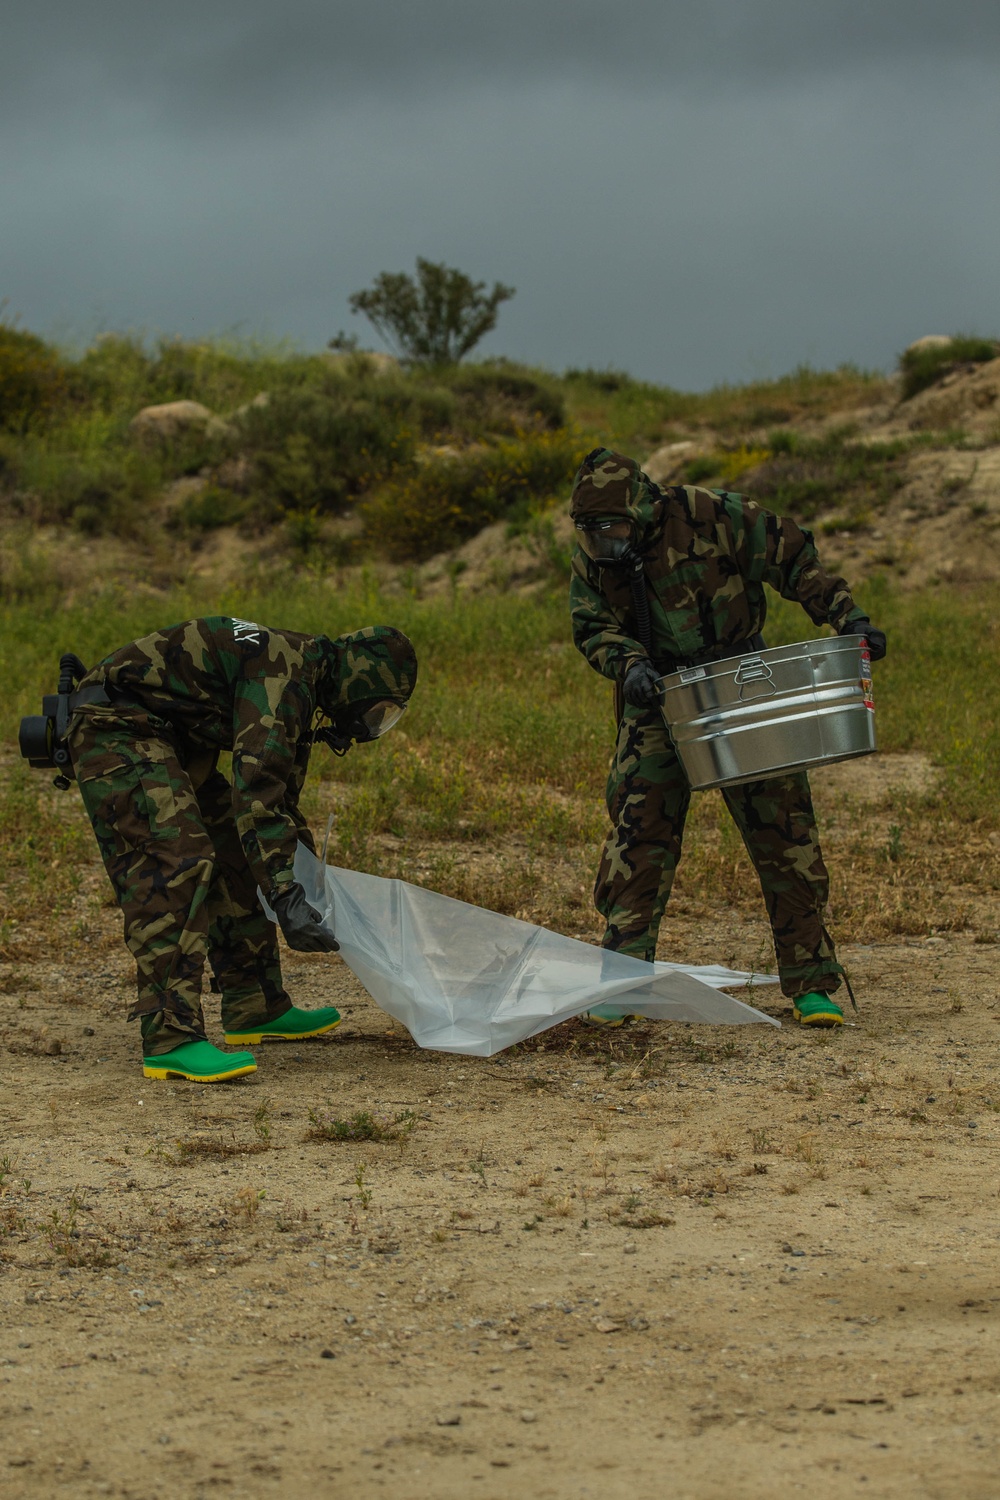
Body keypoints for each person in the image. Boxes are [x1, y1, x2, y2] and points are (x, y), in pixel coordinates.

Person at [569, 448, 886, 1029]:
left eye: (613, 530)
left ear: (639, 510)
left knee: (783, 833)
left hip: (742, 683)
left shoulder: (712, 514)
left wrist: (848, 617)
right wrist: (627, 663)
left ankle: (813, 985)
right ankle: (621, 980)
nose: (604, 543)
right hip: (659, 693)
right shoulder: (595, 554)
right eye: (593, 534)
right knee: (639, 834)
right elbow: (592, 624)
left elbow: (793, 557)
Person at [66, 616, 417, 1081]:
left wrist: (308, 884)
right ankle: (170, 1037)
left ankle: (255, 1005)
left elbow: (280, 805)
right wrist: (286, 899)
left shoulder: (304, 680)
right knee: (179, 860)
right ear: (358, 682)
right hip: (115, 727)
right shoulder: (286, 679)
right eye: (377, 712)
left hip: (167, 739)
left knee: (236, 852)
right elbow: (257, 794)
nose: (368, 726)